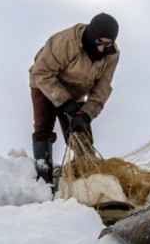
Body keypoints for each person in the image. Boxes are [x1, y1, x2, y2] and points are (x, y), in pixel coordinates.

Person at [29, 13, 120, 187]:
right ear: (91, 37)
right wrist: (64, 103)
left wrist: (85, 114)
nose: (102, 48)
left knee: (80, 132)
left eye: (107, 44)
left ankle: (87, 179)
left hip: (76, 91)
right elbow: (41, 72)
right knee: (44, 126)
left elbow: (102, 89)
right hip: (45, 83)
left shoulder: (112, 55)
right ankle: (44, 179)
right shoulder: (65, 43)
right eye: (99, 42)